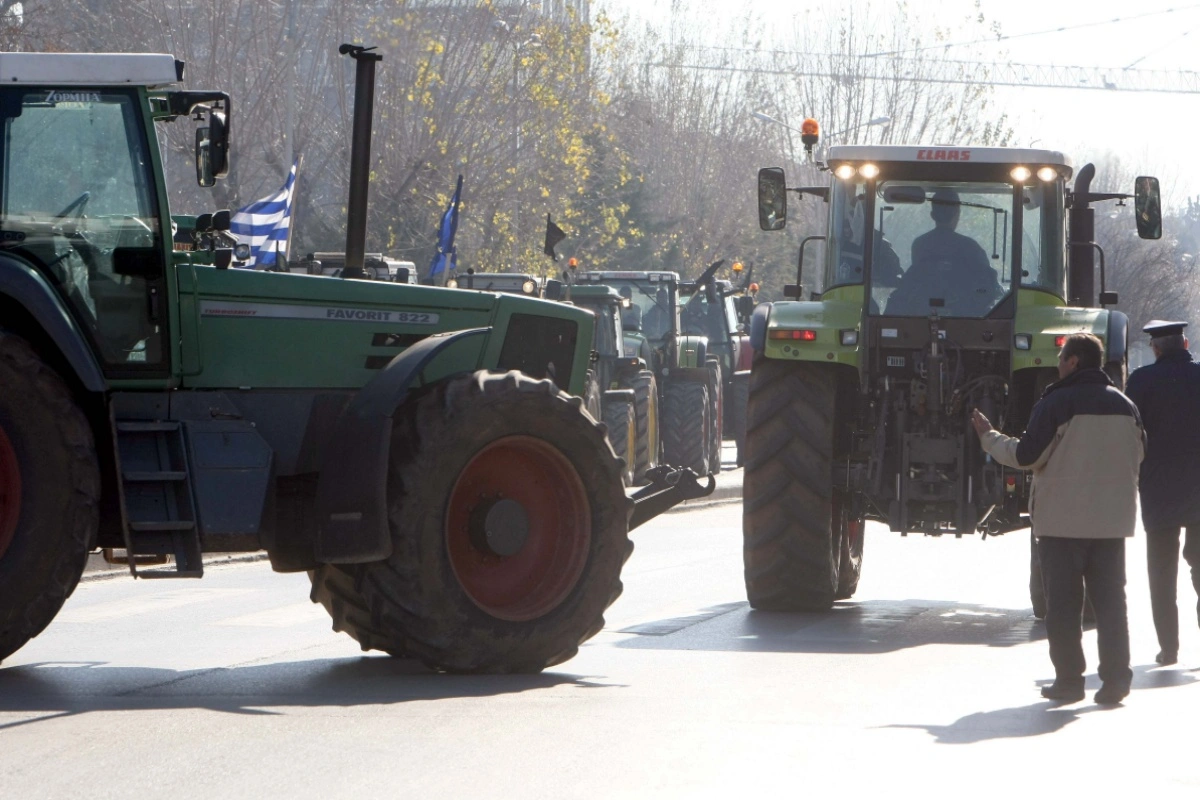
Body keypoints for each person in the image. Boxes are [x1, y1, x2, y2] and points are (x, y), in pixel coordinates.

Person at [971, 333, 1144, 705]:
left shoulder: (1057, 402)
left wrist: (989, 437)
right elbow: (1139, 453)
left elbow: (1027, 455)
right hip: (1112, 525)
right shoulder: (1126, 405)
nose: (1058, 364)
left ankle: (1069, 682)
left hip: (1062, 526)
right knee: (1111, 606)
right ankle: (1116, 680)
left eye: (1062, 357)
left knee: (1063, 608)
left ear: (1074, 362)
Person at [1124, 320, 1200, 667]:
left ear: (1155, 348)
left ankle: (1169, 648)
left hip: (1159, 489)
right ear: (1185, 344)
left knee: (1161, 573)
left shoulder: (1140, 381)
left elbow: (1130, 432)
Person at [886, 188, 1002, 315]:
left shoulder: (920, 245)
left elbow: (913, 287)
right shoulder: (971, 247)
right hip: (967, 322)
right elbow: (988, 290)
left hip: (921, 319)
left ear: (932, 215)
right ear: (958, 213)